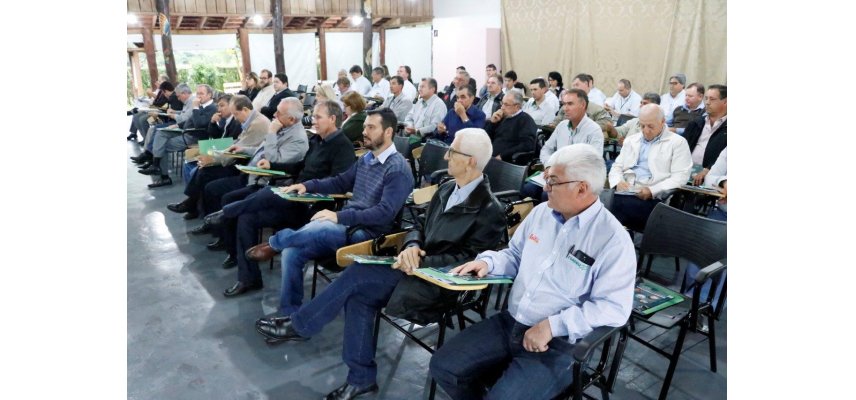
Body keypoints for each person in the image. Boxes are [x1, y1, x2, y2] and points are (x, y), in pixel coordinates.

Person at [254, 128, 506, 400]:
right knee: (359, 297)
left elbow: (471, 261)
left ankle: (301, 325)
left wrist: (420, 259)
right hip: (413, 267)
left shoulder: (490, 209)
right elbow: (418, 226)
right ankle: (360, 378)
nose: (446, 156)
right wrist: (411, 245)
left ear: (470, 160)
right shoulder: (447, 188)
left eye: (453, 151)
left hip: (438, 284)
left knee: (360, 274)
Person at [429, 143, 637, 400]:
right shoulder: (542, 213)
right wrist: (489, 263)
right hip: (511, 322)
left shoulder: (612, 240)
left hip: (559, 344)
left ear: (582, 188)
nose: (544, 187)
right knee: (443, 366)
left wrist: (552, 325)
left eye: (553, 181)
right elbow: (515, 254)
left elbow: (613, 308)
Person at [245, 108, 413, 315]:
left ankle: (275, 242)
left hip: (371, 235)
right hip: (349, 225)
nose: (364, 132)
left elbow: (384, 214)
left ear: (388, 132)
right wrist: (308, 186)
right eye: (364, 127)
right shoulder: (367, 159)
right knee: (292, 253)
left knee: (323, 227)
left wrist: (339, 216)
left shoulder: (397, 169)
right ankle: (288, 313)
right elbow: (340, 181)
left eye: (371, 127)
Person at [213, 100, 356, 290]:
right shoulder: (316, 140)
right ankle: (249, 279)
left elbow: (339, 184)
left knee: (270, 191)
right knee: (247, 217)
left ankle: (226, 212)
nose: (313, 120)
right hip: (295, 200)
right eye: (313, 116)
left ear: (332, 119)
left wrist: (305, 187)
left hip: (313, 207)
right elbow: (299, 167)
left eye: (318, 117)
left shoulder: (342, 147)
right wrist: (274, 166)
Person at [608, 104, 692, 232]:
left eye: (650, 126)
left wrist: (652, 190)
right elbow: (617, 166)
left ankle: (619, 242)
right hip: (625, 191)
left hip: (653, 198)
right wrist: (617, 182)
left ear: (663, 122)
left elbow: (680, 177)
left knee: (610, 208)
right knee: (598, 201)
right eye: (642, 126)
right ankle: (619, 242)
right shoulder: (631, 140)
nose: (645, 130)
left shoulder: (677, 143)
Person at [140, 84, 218, 188]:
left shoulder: (211, 108)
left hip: (194, 136)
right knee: (160, 132)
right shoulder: (201, 105)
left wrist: (195, 108)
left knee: (161, 145)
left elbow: (199, 124)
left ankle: (163, 175)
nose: (198, 96)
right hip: (185, 130)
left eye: (201, 94)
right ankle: (155, 164)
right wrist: (177, 124)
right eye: (197, 93)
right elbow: (189, 120)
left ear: (209, 95)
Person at [684, 84, 727, 185]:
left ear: (725, 101)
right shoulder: (695, 123)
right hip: (685, 172)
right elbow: (681, 148)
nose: (707, 103)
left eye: (712, 99)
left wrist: (708, 169)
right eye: (706, 98)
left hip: (713, 178)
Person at [484, 90, 537, 162]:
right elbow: (485, 137)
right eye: (502, 103)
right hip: (490, 155)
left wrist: (503, 155)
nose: (502, 107)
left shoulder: (525, 120)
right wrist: (492, 123)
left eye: (506, 104)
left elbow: (527, 145)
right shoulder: (501, 116)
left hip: (506, 160)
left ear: (517, 106)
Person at [403, 78, 447, 146]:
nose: (419, 89)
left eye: (422, 87)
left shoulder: (439, 104)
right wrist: (410, 126)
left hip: (426, 142)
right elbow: (409, 117)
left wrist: (417, 130)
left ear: (432, 89)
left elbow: (435, 126)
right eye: (419, 86)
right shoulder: (419, 102)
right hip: (412, 137)